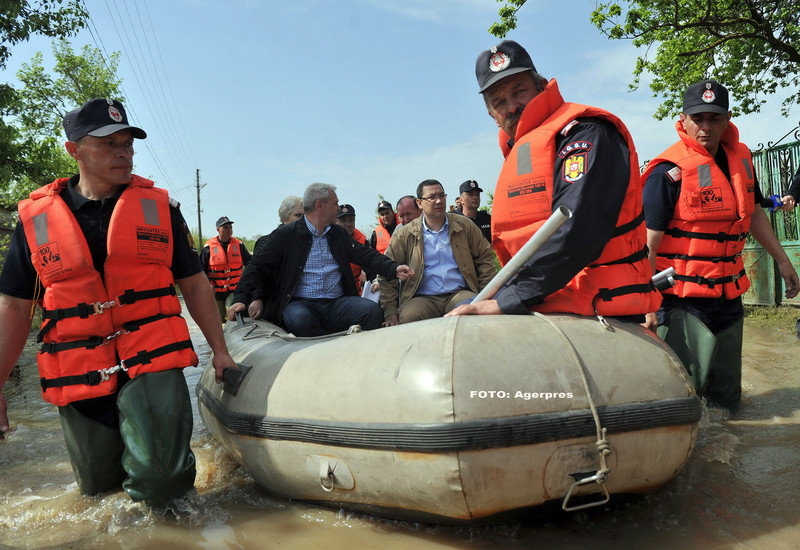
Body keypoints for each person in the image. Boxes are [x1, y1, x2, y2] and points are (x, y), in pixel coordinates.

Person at [0, 98, 235, 509]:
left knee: (162, 480)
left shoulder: (157, 210)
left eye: (127, 143)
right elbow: (15, 309)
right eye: (108, 144)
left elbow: (195, 283)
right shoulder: (35, 222)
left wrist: (220, 351)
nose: (123, 152)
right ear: (74, 150)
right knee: (98, 494)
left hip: (151, 357)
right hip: (79, 368)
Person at [447, 40, 660, 322]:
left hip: (599, 307)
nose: (512, 106)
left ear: (541, 85)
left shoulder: (584, 133)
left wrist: (509, 299)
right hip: (546, 300)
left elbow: (579, 227)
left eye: (519, 91)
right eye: (499, 101)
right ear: (491, 114)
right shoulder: (522, 149)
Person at [642, 79, 800, 412]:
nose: (705, 126)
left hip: (729, 296)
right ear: (683, 120)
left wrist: (784, 261)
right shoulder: (667, 172)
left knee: (727, 399)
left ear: (728, 118)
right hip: (680, 300)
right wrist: (646, 301)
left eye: (714, 118)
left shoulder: (741, 161)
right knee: (684, 396)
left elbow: (754, 214)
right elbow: (648, 244)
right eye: (697, 118)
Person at [227, 183, 414, 336]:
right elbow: (256, 266)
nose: (339, 208)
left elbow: (366, 256)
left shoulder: (337, 234)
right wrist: (242, 298)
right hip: (302, 303)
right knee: (299, 319)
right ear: (319, 205)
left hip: (336, 303)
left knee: (372, 312)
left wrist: (394, 269)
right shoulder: (286, 235)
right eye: (335, 204)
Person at [380, 179, 496, 325]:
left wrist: (485, 294)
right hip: (422, 298)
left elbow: (485, 258)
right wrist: (390, 312)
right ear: (419, 203)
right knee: (409, 317)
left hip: (459, 293)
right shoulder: (404, 234)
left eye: (442, 196)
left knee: (472, 309)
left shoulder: (465, 225)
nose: (439, 201)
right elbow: (386, 270)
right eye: (432, 197)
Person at [247, 195, 303, 320]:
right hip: (274, 302)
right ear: (284, 218)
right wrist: (257, 298)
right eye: (298, 215)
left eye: (305, 216)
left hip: (301, 301)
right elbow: (257, 273)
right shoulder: (267, 241)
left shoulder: (309, 242)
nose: (302, 220)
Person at [200, 216, 251, 322]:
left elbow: (250, 263)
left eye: (230, 227)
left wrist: (245, 281)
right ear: (218, 229)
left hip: (234, 289)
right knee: (218, 318)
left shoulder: (239, 245)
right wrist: (207, 285)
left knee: (233, 313)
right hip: (216, 291)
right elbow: (201, 269)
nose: (229, 230)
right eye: (226, 227)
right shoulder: (208, 248)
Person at [336, 203, 368, 293]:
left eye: (351, 220)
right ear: (335, 221)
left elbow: (371, 268)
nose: (348, 224)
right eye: (343, 220)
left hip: (354, 292)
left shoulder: (364, 242)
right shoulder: (325, 239)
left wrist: (375, 282)